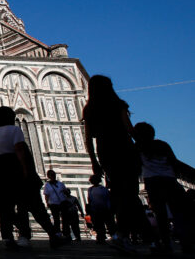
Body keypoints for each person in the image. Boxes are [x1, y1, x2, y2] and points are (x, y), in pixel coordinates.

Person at [82, 75, 144, 254]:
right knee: (130, 194)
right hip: (124, 149)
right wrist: (143, 146)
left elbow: (87, 138)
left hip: (105, 152)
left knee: (118, 193)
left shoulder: (89, 109)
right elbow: (129, 129)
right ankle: (135, 235)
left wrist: (94, 161)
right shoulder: (118, 105)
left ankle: (123, 235)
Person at [0, 106, 62, 250]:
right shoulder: (15, 130)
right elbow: (20, 149)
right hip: (15, 167)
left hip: (1, 171)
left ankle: (8, 238)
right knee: (31, 204)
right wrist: (26, 170)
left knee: (5, 206)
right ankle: (51, 234)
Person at [134, 121, 193, 253]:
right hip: (169, 180)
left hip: (153, 182)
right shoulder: (162, 145)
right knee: (178, 213)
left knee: (160, 214)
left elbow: (137, 166)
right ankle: (186, 242)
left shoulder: (138, 148)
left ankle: (166, 243)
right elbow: (174, 161)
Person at [86, 174, 115, 244]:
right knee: (98, 224)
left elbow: (108, 199)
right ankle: (101, 237)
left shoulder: (103, 189)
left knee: (109, 224)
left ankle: (114, 237)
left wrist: (109, 208)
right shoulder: (90, 189)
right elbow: (89, 199)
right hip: (95, 210)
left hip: (104, 209)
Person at [43, 169, 68, 237]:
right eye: (51, 175)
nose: (53, 176)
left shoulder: (60, 184)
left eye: (53, 175)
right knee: (56, 218)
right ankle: (58, 232)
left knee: (64, 218)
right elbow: (46, 195)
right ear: (48, 176)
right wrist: (47, 202)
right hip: (53, 204)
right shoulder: (47, 185)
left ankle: (66, 232)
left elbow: (66, 192)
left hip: (62, 202)